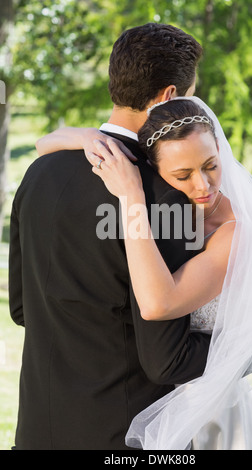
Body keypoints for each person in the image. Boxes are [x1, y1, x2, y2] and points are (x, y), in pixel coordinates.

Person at [8, 23, 213, 451]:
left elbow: (24, 308)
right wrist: (241, 346)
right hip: (123, 439)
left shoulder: (39, 172)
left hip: (36, 431)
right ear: (170, 96)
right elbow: (167, 360)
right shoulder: (165, 197)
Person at [80, 97, 252, 450]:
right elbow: (43, 143)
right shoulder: (173, 213)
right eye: (183, 175)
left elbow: (160, 304)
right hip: (158, 398)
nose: (203, 185)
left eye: (211, 165)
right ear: (152, 169)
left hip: (214, 412)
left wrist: (131, 195)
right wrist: (87, 137)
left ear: (220, 148)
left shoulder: (237, 231)